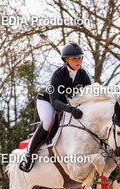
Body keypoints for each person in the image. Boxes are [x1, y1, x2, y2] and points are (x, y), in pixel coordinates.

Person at [19, 42, 92, 172]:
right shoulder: (58, 75)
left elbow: (89, 96)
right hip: (48, 102)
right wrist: (70, 109)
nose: (78, 61)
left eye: (80, 58)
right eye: (74, 58)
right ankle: (28, 155)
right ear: (66, 60)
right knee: (48, 122)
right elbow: (54, 101)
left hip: (68, 106)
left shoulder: (83, 75)